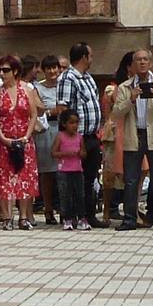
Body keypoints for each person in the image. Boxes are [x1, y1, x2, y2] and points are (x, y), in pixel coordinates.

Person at [111, 48, 153, 232]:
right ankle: (130, 218)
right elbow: (115, 113)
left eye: (145, 59)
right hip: (134, 135)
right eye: (138, 59)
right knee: (131, 180)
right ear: (132, 64)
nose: (141, 62)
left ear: (151, 63)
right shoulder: (125, 86)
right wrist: (130, 99)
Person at [53, 42, 106, 228]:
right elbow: (63, 109)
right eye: (90, 56)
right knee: (75, 180)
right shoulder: (67, 78)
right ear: (84, 57)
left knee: (90, 179)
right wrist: (71, 138)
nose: (92, 59)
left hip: (92, 136)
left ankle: (88, 215)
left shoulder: (88, 78)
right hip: (78, 137)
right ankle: (73, 215)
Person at [0, 54, 42, 229]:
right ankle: (7, 217)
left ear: (15, 70)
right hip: (3, 142)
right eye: (0, 70)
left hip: (25, 140)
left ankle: (24, 217)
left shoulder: (27, 89)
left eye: (6, 70)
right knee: (4, 178)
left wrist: (26, 136)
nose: (2, 74)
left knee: (25, 177)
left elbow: (33, 115)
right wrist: (2, 138)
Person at [98, 52, 132, 225]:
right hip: (114, 133)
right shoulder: (113, 89)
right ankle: (107, 210)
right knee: (109, 174)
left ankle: (129, 210)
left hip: (132, 133)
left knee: (132, 174)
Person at [32, 55, 62, 225]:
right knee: (46, 174)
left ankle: (64, 210)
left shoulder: (64, 85)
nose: (52, 71)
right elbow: (39, 109)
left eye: (55, 68)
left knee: (63, 172)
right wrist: (53, 110)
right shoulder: (37, 88)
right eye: (49, 68)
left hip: (63, 129)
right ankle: (48, 209)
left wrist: (51, 109)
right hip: (45, 130)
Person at [51, 110, 86, 231]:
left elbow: (84, 152)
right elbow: (53, 153)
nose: (74, 125)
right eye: (71, 123)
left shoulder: (79, 137)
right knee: (65, 195)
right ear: (65, 124)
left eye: (76, 122)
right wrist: (65, 153)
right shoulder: (60, 136)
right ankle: (67, 218)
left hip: (77, 170)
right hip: (64, 171)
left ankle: (81, 218)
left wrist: (81, 153)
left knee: (79, 195)